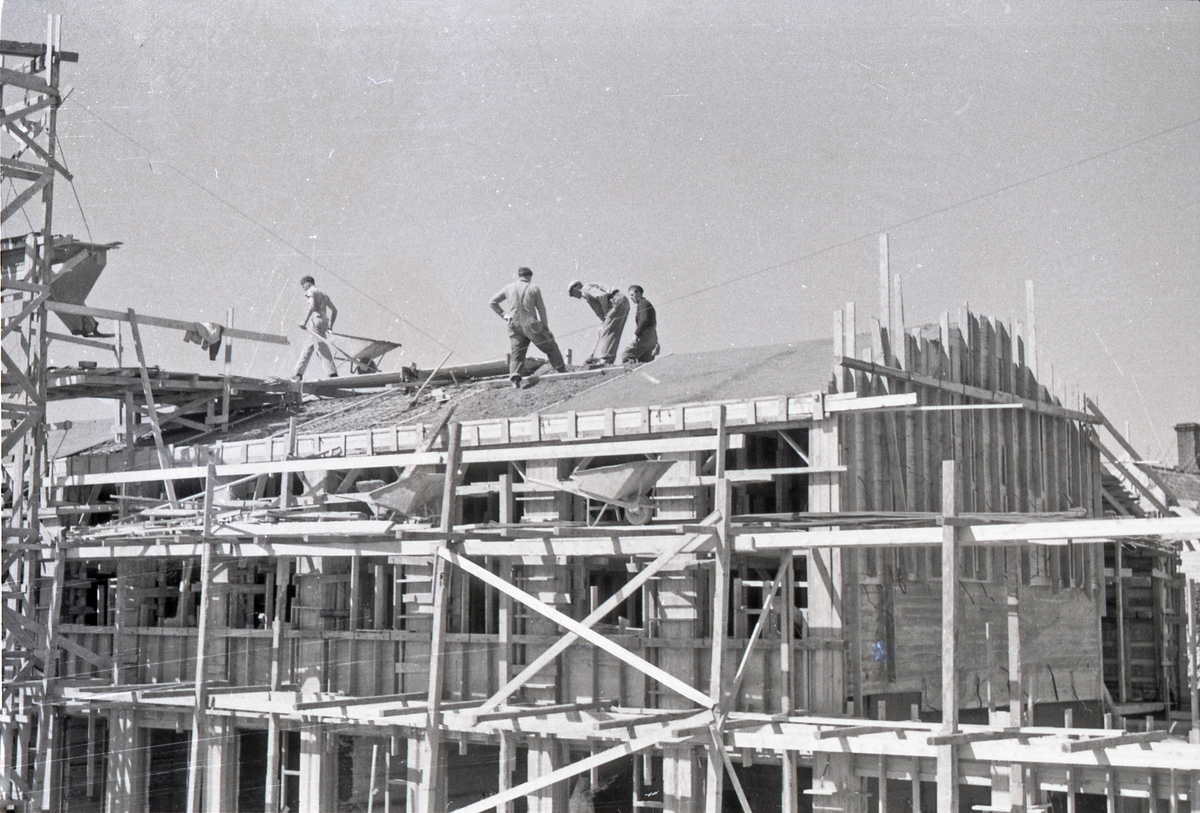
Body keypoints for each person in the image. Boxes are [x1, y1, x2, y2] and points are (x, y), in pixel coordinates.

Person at [490, 267, 568, 388]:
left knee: (517, 352)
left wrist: (504, 315)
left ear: (519, 276)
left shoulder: (508, 288)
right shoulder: (533, 288)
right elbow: (541, 309)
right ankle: (561, 370)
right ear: (529, 276)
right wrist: (545, 327)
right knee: (550, 345)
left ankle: (515, 379)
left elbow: (492, 302)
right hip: (530, 323)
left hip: (513, 323)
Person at [567, 280, 629, 365]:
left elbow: (602, 296)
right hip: (620, 301)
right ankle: (608, 358)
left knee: (607, 331)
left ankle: (606, 359)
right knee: (611, 330)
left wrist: (606, 312)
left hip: (616, 301)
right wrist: (604, 322)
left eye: (572, 293)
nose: (573, 296)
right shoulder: (587, 295)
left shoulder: (586, 288)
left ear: (576, 288)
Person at [293, 275, 339, 380]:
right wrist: (331, 325)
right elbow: (335, 310)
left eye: (303, 286)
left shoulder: (311, 291)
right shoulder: (323, 294)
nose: (303, 288)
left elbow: (312, 305)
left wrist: (304, 321)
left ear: (308, 284)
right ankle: (298, 373)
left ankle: (333, 374)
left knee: (321, 347)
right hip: (324, 322)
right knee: (308, 347)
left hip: (315, 322)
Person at [621, 284, 659, 364]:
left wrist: (636, 334)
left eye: (632, 295)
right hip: (652, 337)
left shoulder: (642, 303)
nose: (631, 298)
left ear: (638, 293)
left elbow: (644, 319)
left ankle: (629, 373)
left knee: (626, 355)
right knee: (644, 361)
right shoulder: (646, 303)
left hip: (645, 335)